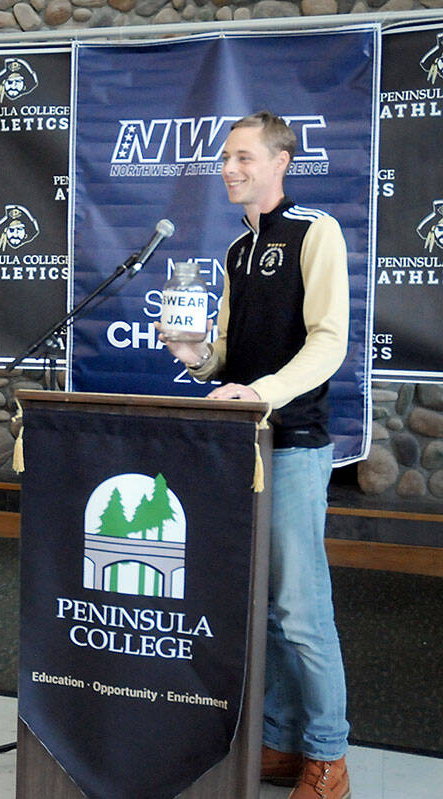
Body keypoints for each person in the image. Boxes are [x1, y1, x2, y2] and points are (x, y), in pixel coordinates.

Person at [161, 111, 351, 799]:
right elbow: (226, 359)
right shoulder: (238, 251)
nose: (230, 168)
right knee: (266, 611)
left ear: (280, 160)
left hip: (295, 444)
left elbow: (329, 342)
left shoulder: (315, 231)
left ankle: (328, 758)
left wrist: (259, 391)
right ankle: (279, 740)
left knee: (302, 610)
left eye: (244, 156)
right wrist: (196, 354)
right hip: (245, 446)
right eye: (225, 158)